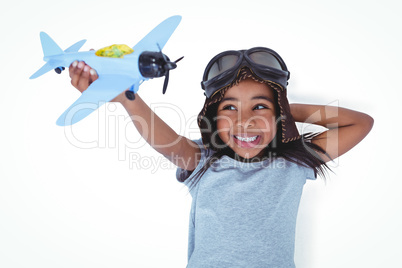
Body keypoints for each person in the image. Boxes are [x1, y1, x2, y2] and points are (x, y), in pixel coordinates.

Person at [68, 47, 373, 267]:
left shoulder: (293, 163)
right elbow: (164, 141)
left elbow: (360, 123)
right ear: (212, 120)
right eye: (229, 108)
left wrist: (286, 109)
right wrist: (126, 98)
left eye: (260, 107)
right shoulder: (203, 162)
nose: (245, 120)